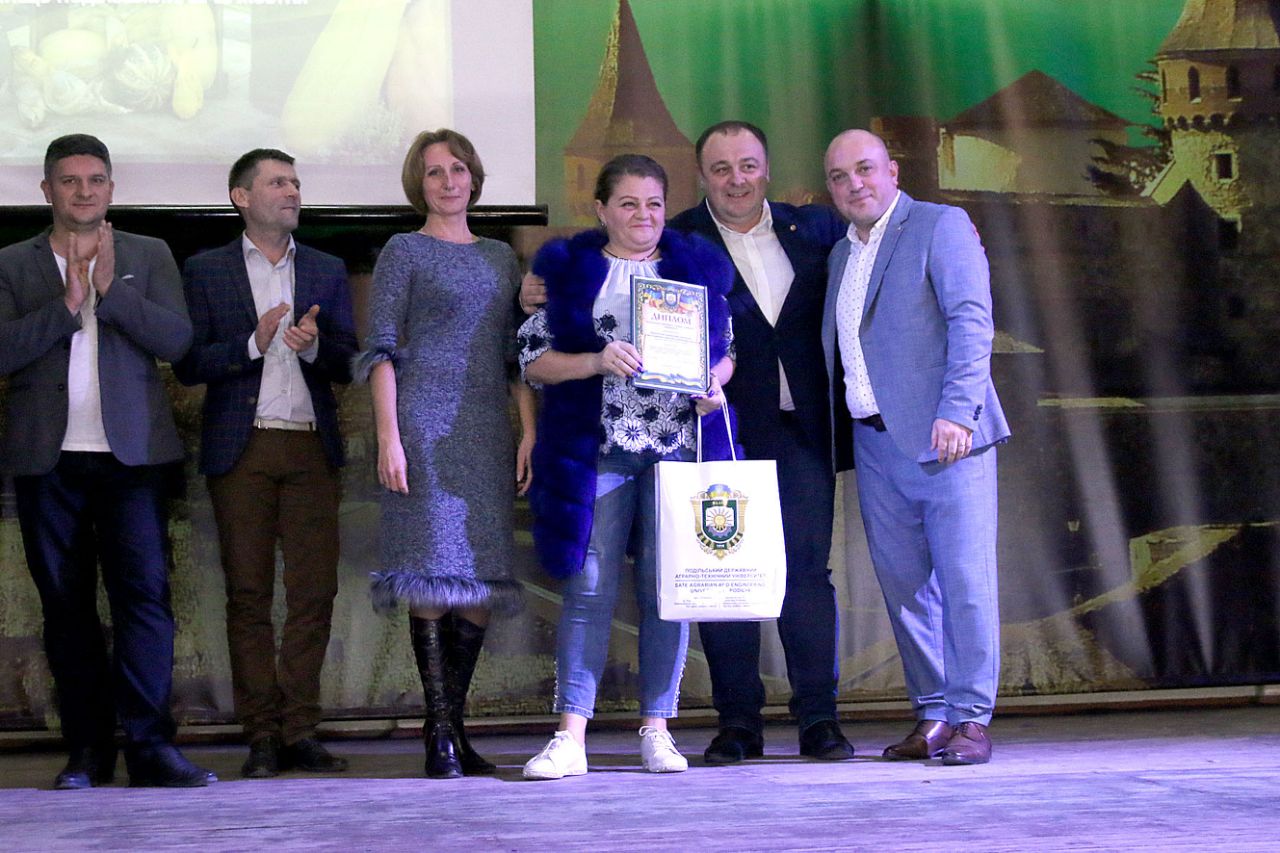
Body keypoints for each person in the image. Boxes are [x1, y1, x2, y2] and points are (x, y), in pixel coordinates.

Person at [0, 134, 213, 788]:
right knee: (66, 609)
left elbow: (178, 340)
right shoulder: (12, 262)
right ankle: (88, 750)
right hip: (48, 460)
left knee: (144, 600)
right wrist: (68, 305)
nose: (84, 190)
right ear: (47, 190)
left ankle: (150, 747)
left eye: (95, 179)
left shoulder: (148, 254)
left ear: (112, 189)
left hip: (133, 458)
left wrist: (109, 293)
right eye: (70, 180)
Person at [518, 153, 736, 781]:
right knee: (588, 588)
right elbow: (532, 359)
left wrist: (713, 384)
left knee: (667, 593)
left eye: (654, 204)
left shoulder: (693, 267)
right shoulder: (570, 269)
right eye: (629, 203)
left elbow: (726, 352)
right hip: (598, 450)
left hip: (677, 449)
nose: (644, 215)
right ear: (602, 209)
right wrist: (594, 361)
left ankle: (658, 730)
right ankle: (570, 736)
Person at [820, 129, 1010, 765]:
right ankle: (933, 714)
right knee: (905, 590)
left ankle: (972, 719)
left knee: (966, 582)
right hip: (874, 444)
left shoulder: (940, 225)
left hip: (947, 438)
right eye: (840, 177)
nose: (855, 184)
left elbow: (971, 320)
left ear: (893, 171)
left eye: (865, 169)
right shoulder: (839, 256)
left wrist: (958, 411)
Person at [669, 121, 855, 763]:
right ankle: (738, 724)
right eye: (721, 168)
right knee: (724, 579)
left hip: (803, 430)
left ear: (767, 169)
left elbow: (879, 243)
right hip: (719, 432)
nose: (736, 179)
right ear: (702, 177)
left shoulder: (818, 229)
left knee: (807, 575)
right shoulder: (676, 240)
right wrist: (537, 287)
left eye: (747, 165)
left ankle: (819, 719)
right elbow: (606, 269)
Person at [354, 128, 534, 779]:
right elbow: (381, 348)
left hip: (486, 429)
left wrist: (530, 431)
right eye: (435, 172)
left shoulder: (501, 257)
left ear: (474, 178)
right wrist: (389, 437)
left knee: (480, 579)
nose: (449, 181)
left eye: (458, 169)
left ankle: (453, 729)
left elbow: (516, 355)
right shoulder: (404, 250)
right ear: (419, 184)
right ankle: (439, 735)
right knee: (433, 573)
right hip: (423, 426)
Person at [174, 149, 356, 779]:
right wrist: (253, 344)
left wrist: (313, 349)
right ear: (242, 197)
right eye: (278, 182)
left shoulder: (327, 268)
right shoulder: (206, 270)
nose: (292, 192)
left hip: (309, 444)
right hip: (241, 447)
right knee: (248, 594)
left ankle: (300, 728)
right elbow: (189, 364)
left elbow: (350, 361)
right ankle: (261, 734)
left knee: (314, 593)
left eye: (296, 182)